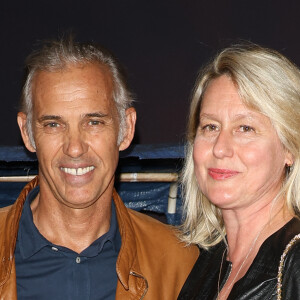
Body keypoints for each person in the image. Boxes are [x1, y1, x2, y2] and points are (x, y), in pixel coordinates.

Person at [0, 37, 199, 299]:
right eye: (53, 124)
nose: (74, 148)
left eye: (94, 122)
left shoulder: (178, 264)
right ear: (27, 133)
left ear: (126, 128)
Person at [177, 44, 300, 300]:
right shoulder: (206, 264)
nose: (220, 148)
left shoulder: (295, 263)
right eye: (210, 127)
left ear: (290, 148)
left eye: (245, 128)